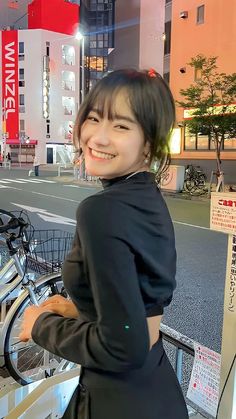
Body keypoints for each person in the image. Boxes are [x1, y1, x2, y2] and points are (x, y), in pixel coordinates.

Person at [19, 69, 189, 419]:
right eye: (94, 118)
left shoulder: (101, 210)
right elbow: (138, 305)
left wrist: (40, 324)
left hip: (116, 400)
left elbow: (124, 347)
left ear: (150, 143)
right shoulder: (145, 197)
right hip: (157, 392)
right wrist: (82, 311)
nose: (98, 136)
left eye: (121, 126)